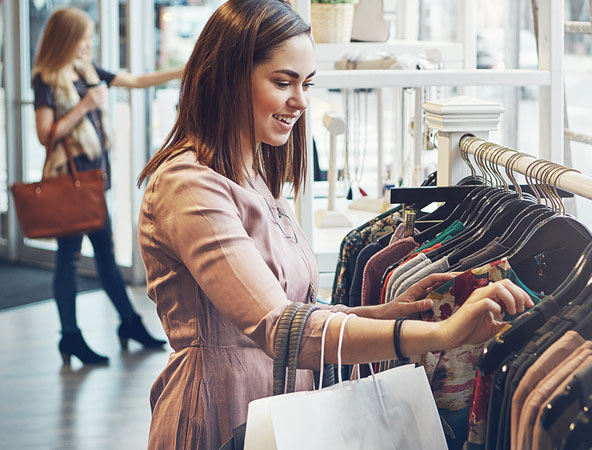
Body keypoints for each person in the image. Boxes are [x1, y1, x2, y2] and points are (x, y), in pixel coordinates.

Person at [136, 1, 533, 448]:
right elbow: (280, 328)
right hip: (218, 408)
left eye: (306, 84)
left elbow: (297, 313)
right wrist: (441, 334)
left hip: (276, 407)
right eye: (283, 82)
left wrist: (384, 313)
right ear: (227, 78)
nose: (301, 101)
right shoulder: (188, 185)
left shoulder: (254, 174)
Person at [32, 7, 183, 366]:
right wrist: (84, 106)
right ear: (67, 38)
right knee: (68, 259)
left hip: (93, 181)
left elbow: (136, 81)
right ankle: (72, 336)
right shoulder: (47, 79)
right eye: (83, 37)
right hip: (69, 182)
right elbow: (45, 136)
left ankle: (127, 323)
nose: (89, 44)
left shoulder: (87, 71)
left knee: (105, 254)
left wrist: (186, 69)